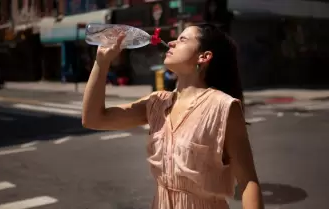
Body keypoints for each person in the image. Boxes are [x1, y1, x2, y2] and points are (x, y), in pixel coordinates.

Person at [82, 23, 264, 209]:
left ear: (204, 56)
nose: (170, 43)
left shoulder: (223, 107)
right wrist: (101, 62)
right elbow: (93, 119)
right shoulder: (156, 103)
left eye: (182, 39)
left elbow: (248, 182)